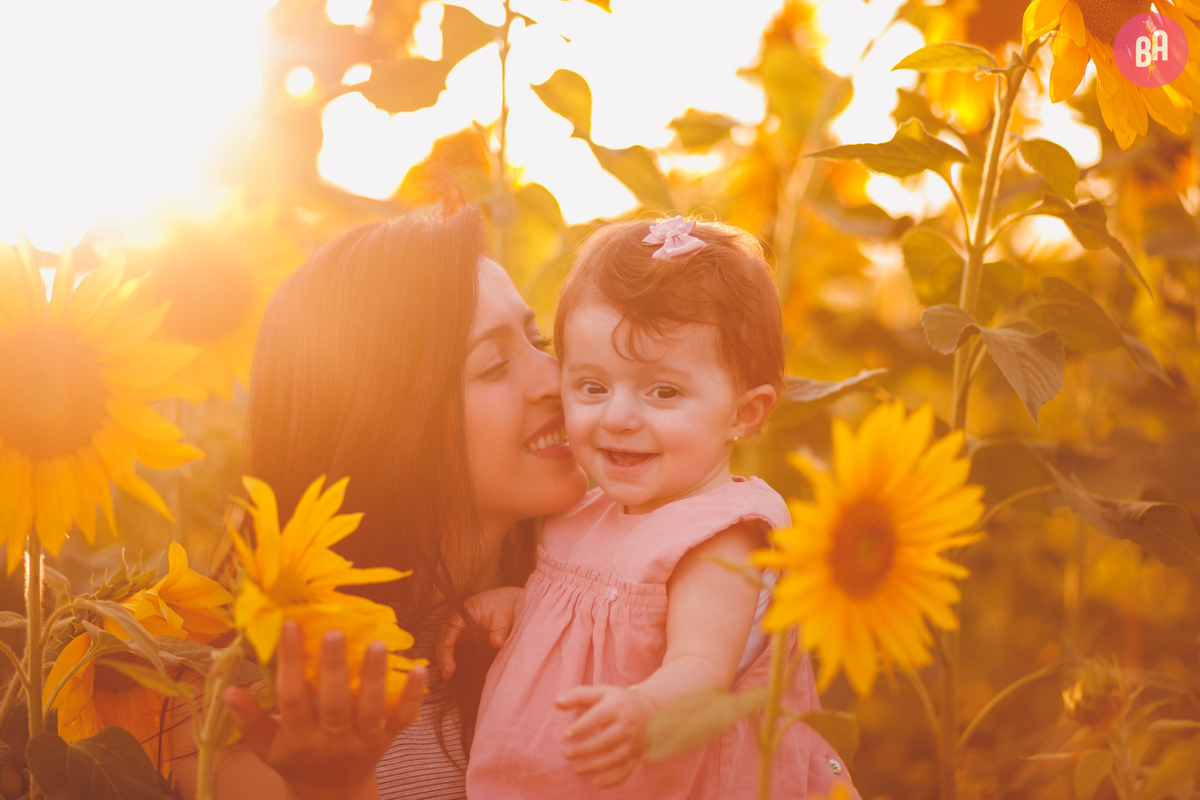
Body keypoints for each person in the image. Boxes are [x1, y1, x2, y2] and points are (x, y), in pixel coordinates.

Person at [167, 204, 589, 800]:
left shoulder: (616, 605)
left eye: (538, 338)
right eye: (494, 365)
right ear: (387, 428)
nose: (558, 377)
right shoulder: (236, 716)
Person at [446, 217, 860, 798]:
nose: (616, 417)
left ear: (745, 413)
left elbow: (701, 665)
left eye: (662, 392)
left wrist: (644, 707)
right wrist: (522, 605)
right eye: (591, 386)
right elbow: (595, 616)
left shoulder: (721, 534)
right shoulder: (585, 516)